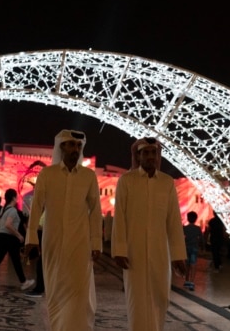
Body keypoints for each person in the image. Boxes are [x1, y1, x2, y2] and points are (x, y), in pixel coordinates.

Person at [24, 129, 102, 331]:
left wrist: (96, 243)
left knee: (80, 291)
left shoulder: (88, 176)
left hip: (80, 242)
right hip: (53, 241)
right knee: (56, 289)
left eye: (78, 146)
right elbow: (37, 207)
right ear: (62, 147)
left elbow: (95, 211)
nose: (75, 149)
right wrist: (31, 237)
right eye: (71, 145)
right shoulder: (47, 174)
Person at [111, 137, 187, 331]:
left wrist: (178, 256)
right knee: (137, 300)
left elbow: (173, 221)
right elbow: (119, 217)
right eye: (146, 153)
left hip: (160, 252)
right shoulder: (127, 181)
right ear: (139, 155)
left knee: (160, 297)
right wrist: (119, 249)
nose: (150, 157)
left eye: (154, 153)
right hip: (133, 252)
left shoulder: (167, 183)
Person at [0, 188, 35, 291]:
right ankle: (24, 282)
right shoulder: (13, 210)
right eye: (16, 196)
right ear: (13, 197)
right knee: (13, 260)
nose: (17, 198)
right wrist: (19, 235)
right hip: (9, 238)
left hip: (2, 237)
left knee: (3, 260)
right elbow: (8, 224)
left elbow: (1, 223)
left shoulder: (3, 209)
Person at [183, 211, 202, 291]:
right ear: (195, 219)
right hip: (194, 247)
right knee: (193, 265)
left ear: (188, 218)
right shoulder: (197, 228)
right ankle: (192, 282)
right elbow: (201, 238)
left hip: (186, 247)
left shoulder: (185, 228)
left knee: (187, 264)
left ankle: (186, 280)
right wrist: (202, 247)